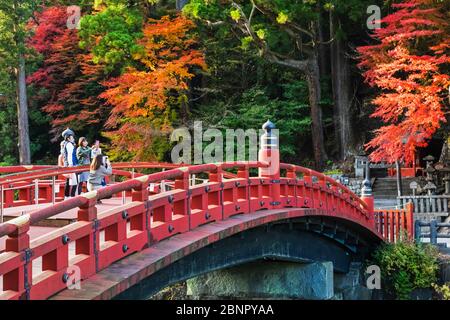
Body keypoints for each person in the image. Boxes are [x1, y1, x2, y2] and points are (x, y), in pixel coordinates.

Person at [61, 128, 78, 199]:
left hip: (67, 164)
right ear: (68, 138)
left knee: (68, 181)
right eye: (71, 136)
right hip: (71, 164)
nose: (73, 138)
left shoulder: (65, 144)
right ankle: (72, 196)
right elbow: (70, 155)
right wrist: (71, 164)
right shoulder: (69, 145)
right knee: (74, 182)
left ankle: (67, 196)